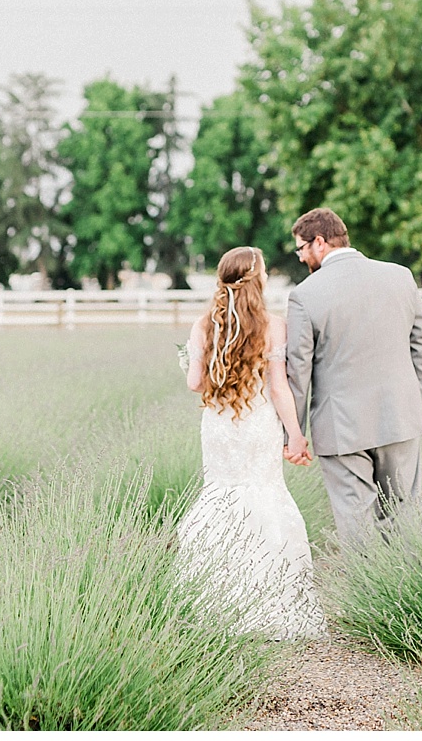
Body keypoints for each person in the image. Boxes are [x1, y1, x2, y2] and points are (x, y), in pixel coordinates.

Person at [175, 246, 325, 640]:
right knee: (266, 497)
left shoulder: (204, 325)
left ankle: (217, 605)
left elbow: (194, 383)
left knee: (220, 498)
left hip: (220, 425)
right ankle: (272, 604)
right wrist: (295, 435)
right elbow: (279, 388)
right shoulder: (274, 326)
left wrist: (205, 364)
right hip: (258, 423)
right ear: (258, 280)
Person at [285, 207, 422, 547]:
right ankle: (405, 593)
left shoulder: (305, 295)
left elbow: (298, 370)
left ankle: (367, 595)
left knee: (355, 523)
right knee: (404, 518)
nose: (300, 257)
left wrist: (294, 432)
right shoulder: (399, 276)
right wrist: (415, 403)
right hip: (400, 415)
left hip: (341, 426)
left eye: (301, 249)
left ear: (319, 242)